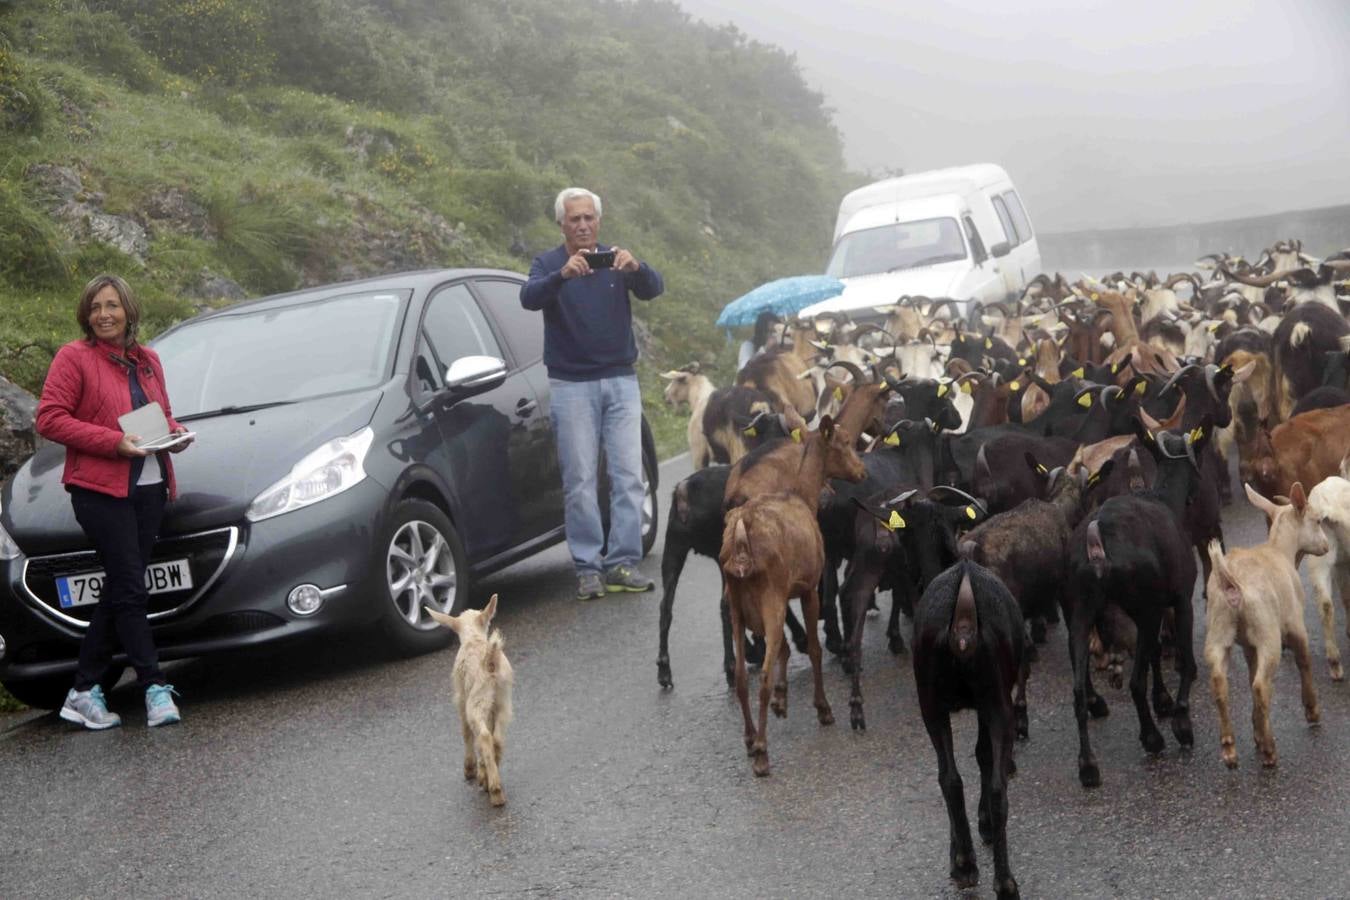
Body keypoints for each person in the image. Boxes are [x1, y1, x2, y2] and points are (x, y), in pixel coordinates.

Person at [34, 274, 193, 729]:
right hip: (99, 490)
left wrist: (174, 434)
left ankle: (83, 690)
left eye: (112, 305)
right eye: (95, 307)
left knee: (124, 587)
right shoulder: (74, 358)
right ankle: (154, 687)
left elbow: (159, 415)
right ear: (86, 314)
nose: (104, 314)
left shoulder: (148, 360)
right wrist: (113, 442)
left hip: (149, 487)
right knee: (129, 587)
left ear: (128, 310)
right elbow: (49, 417)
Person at [520, 188, 664, 600]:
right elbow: (528, 297)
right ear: (561, 224)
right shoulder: (548, 263)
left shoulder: (616, 259)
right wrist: (562, 275)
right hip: (571, 386)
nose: (582, 225)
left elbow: (653, 288)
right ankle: (587, 567)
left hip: (621, 380)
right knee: (580, 480)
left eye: (589, 218)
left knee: (627, 475)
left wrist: (637, 267)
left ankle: (622, 562)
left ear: (598, 221)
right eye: (574, 219)